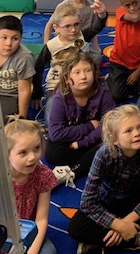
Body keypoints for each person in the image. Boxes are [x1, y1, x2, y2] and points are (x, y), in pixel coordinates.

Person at [68, 104, 140, 254]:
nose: (137, 133)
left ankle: (99, 242)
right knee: (76, 227)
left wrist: (125, 223)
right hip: (106, 202)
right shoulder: (103, 154)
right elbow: (87, 202)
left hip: (134, 201)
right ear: (115, 140)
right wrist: (118, 225)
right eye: (128, 131)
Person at [0, 118, 61, 254]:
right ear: (6, 153)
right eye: (23, 152)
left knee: (48, 253)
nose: (32, 157)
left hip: (27, 236)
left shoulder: (42, 175)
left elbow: (41, 220)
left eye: (37, 148)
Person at [45, 51, 115, 188]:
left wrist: (82, 143)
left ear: (94, 73)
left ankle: (72, 171)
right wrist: (89, 126)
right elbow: (55, 133)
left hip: (93, 139)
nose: (83, 76)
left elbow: (108, 124)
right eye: (77, 72)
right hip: (73, 137)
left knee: (110, 145)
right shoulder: (61, 97)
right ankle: (90, 162)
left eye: (87, 71)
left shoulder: (103, 92)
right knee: (51, 152)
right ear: (66, 78)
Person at [33, 4, 107, 123]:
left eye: (76, 24)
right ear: (56, 28)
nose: (73, 30)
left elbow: (97, 26)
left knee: (96, 112)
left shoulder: (83, 36)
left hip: (81, 82)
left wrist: (102, 15)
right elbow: (38, 67)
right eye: (67, 26)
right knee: (52, 119)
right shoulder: (51, 45)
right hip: (57, 85)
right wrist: (36, 92)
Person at [43, 0, 107, 61]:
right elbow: (49, 25)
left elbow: (93, 29)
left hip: (82, 40)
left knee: (97, 58)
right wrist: (46, 46)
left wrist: (96, 45)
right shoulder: (63, 6)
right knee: (63, 60)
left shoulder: (92, 6)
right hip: (65, 40)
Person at [0, 15, 35, 119]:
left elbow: (24, 91)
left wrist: (21, 119)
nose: (8, 43)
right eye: (4, 38)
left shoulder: (24, 57)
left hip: (10, 98)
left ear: (21, 38)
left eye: (15, 39)